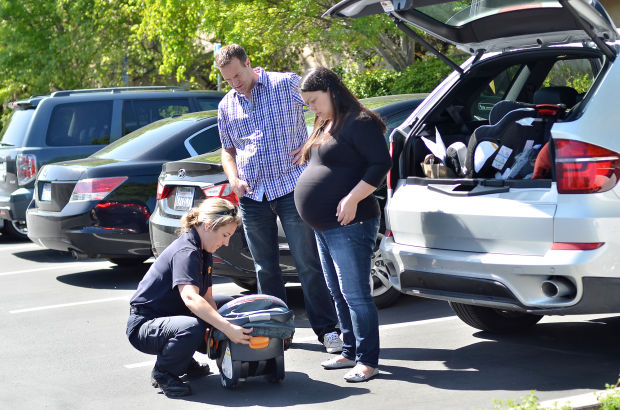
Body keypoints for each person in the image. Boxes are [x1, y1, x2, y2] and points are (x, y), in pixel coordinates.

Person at [215, 44, 342, 353]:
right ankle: (278, 332)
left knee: (307, 263)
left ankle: (327, 330)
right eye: (227, 79)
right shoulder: (226, 105)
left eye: (237, 75)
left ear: (248, 62)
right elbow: (227, 150)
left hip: (291, 187)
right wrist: (233, 179)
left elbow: (325, 109)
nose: (235, 83)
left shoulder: (285, 83)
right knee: (265, 269)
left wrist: (312, 143)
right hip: (252, 194)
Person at [295, 67, 390, 383]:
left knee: (355, 294)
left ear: (331, 91)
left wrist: (351, 199)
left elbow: (381, 163)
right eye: (307, 104)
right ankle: (349, 349)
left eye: (314, 101)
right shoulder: (328, 122)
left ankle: (367, 360)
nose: (312, 109)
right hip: (325, 226)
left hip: (351, 222)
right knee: (337, 292)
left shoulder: (359, 122)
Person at [126, 198, 252, 398]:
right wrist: (227, 329)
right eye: (225, 235)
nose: (226, 242)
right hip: (144, 325)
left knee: (227, 304)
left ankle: (182, 358)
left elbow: (207, 298)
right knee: (192, 327)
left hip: (170, 315)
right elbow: (192, 299)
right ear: (210, 226)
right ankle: (164, 372)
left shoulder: (204, 250)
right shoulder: (187, 251)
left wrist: (221, 326)